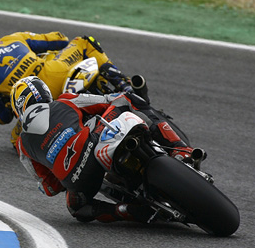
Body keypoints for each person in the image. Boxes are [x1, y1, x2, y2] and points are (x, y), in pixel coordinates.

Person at [11, 76, 200, 223]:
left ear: (18, 107)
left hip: (80, 182)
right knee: (126, 99)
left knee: (75, 207)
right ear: (44, 92)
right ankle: (180, 149)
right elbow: (108, 100)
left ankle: (122, 211)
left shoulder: (22, 145)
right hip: (93, 143)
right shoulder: (65, 101)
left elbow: (50, 187)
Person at [0, 16, 131, 144]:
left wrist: (9, 100)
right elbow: (60, 39)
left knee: (15, 140)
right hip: (57, 74)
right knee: (85, 42)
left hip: (36, 104)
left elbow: (1, 118)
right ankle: (123, 83)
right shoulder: (13, 38)